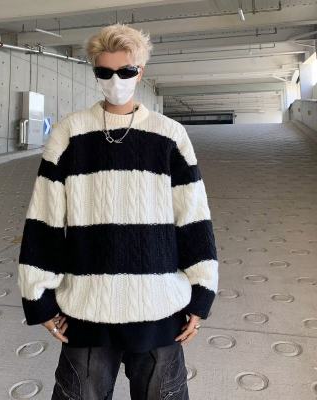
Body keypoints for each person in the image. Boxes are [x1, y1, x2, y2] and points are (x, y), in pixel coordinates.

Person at [17, 22, 219, 400]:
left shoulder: (169, 134)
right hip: (87, 308)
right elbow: (45, 219)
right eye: (105, 72)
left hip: (159, 307)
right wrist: (38, 297)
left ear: (141, 72)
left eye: (125, 71)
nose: (116, 81)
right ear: (95, 72)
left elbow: (193, 217)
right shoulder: (69, 133)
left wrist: (202, 292)